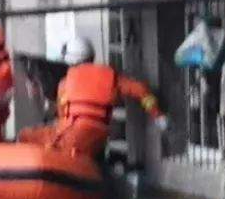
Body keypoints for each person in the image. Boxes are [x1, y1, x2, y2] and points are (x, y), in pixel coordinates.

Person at [18, 36, 167, 158]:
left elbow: (62, 115)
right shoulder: (111, 77)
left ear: (69, 59)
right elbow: (142, 90)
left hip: (72, 136)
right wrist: (158, 115)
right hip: (99, 137)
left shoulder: (65, 84)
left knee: (25, 136)